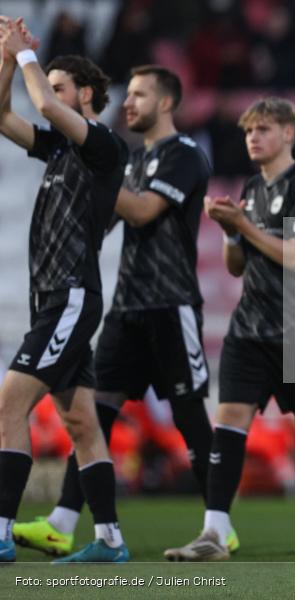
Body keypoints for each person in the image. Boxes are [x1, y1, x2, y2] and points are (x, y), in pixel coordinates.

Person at [13, 65, 223, 556]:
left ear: (166, 102)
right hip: (127, 303)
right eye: (127, 94)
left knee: (188, 413)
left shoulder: (183, 154)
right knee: (92, 414)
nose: (128, 102)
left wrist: (100, 179)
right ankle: (64, 522)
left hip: (171, 301)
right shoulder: (129, 158)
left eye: (139, 95)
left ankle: (219, 524)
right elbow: (103, 220)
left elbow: (144, 210)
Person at [163, 97, 295, 561]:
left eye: (263, 129)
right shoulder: (252, 187)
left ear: (289, 133)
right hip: (249, 327)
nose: (253, 138)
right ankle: (215, 532)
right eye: (249, 131)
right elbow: (236, 266)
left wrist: (244, 226)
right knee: (229, 419)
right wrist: (231, 232)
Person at [0, 17, 130, 563]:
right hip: (53, 300)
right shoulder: (58, 149)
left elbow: (46, 108)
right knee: (81, 423)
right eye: (49, 85)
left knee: (8, 405)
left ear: (87, 94)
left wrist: (27, 54)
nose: (50, 95)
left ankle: (1, 531)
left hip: (71, 296)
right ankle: (110, 541)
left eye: (60, 87)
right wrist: (7, 61)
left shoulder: (106, 147)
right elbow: (2, 116)